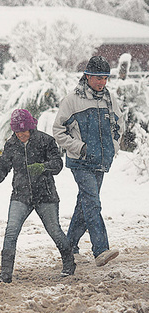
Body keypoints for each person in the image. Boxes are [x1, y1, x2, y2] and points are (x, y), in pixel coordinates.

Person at [0, 109, 75, 284]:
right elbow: (0, 170)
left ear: (31, 128)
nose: (21, 134)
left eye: (24, 131)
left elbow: (58, 164)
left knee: (54, 231)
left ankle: (69, 263)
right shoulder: (11, 145)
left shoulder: (46, 141)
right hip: (20, 196)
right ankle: (5, 274)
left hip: (46, 195)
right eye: (17, 131)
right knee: (11, 232)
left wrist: (43, 167)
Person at [53, 56, 123, 267]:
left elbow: (119, 127)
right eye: (98, 78)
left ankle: (69, 246)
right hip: (80, 162)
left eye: (105, 78)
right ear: (87, 76)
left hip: (101, 161)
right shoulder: (72, 100)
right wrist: (81, 148)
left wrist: (113, 148)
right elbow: (58, 131)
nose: (102, 82)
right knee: (92, 202)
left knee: (85, 205)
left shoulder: (109, 99)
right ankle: (100, 249)